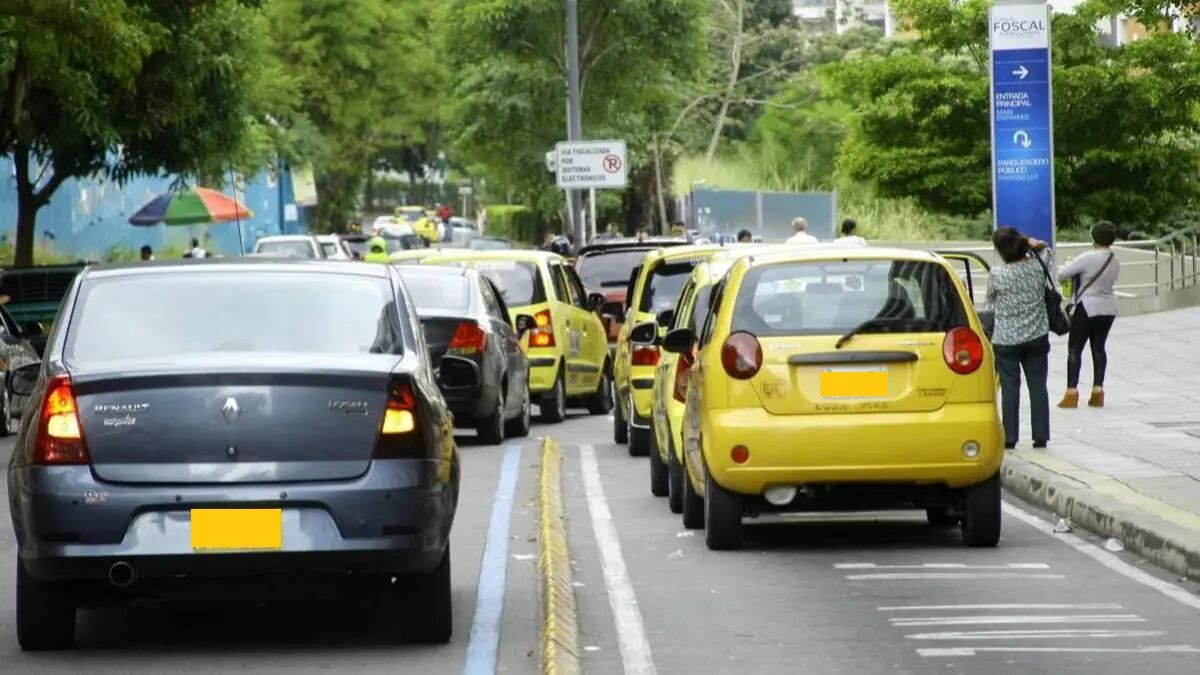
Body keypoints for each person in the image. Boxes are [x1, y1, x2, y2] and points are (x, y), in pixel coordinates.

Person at [987, 227, 1053, 449]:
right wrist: (1034, 243)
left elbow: (989, 302)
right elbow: (1047, 250)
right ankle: (1041, 435)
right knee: (1038, 385)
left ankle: (1009, 437)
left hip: (1006, 339)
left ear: (1000, 251)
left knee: (1010, 387)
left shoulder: (997, 274)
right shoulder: (1038, 266)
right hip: (1036, 336)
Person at [1056, 221, 1120, 408]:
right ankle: (1098, 391)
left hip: (1087, 306)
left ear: (1094, 237)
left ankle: (1071, 393)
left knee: (1075, 348)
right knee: (1098, 348)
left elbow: (1062, 274)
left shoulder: (1088, 257)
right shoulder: (1113, 260)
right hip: (1108, 308)